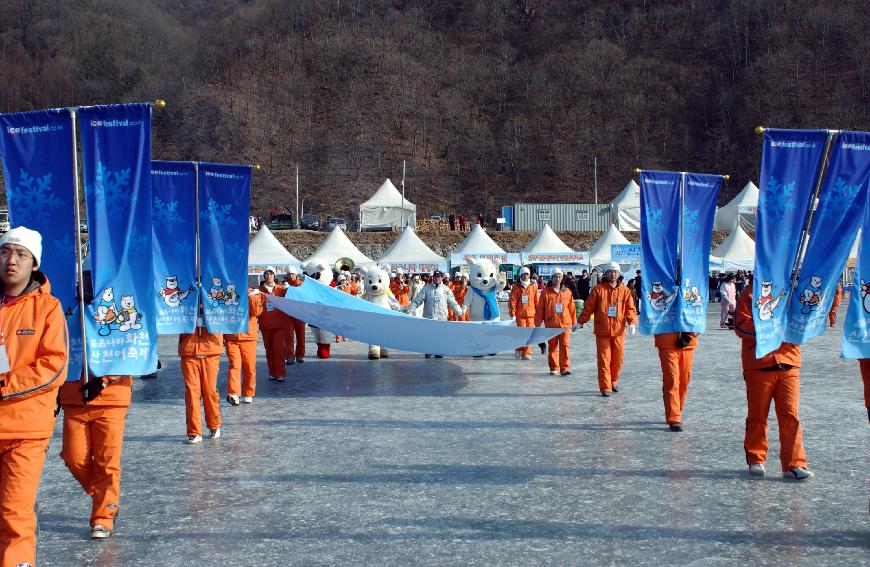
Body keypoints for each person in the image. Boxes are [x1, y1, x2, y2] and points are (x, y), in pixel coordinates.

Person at [0, 227, 68, 563]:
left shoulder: (48, 309)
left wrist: (5, 385)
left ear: (34, 263)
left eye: (20, 254)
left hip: (24, 431)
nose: (11, 260)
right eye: (5, 252)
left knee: (14, 513)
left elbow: (54, 366)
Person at [60, 267, 130, 539]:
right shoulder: (68, 315)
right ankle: (105, 497)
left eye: (91, 282)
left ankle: (103, 515)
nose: (86, 287)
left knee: (107, 460)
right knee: (73, 457)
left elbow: (131, 350)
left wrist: (104, 380)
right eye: (83, 282)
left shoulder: (117, 313)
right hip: (74, 397)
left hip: (111, 399)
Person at [735, 286, 813, 479]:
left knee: (790, 415)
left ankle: (794, 463)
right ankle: (756, 458)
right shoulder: (750, 292)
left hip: (789, 361)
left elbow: (804, 320)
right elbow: (741, 325)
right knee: (757, 415)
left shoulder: (794, 290)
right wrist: (771, 327)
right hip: (759, 364)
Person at [578, 263, 638, 396]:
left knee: (618, 359)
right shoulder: (598, 290)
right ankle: (605, 386)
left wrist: (632, 322)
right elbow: (588, 308)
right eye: (610, 272)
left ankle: (614, 381)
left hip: (618, 331)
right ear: (605, 274)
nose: (612, 274)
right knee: (604, 359)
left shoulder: (625, 291)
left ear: (619, 274)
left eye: (615, 272)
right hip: (602, 331)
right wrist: (580, 321)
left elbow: (630, 309)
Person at [179, 306, 223, 444]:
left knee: (210, 391)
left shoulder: (213, 294)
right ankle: (194, 431)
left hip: (211, 348)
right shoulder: (185, 296)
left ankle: (214, 424)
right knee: (192, 392)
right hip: (189, 349)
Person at [404, 270, 462, 357]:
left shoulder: (446, 290)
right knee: (429, 336)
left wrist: (459, 312)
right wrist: (408, 310)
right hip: (429, 317)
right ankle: (429, 350)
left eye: (438, 277)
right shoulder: (427, 288)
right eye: (435, 277)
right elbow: (417, 301)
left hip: (441, 318)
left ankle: (439, 351)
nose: (437, 279)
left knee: (441, 335)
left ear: (442, 278)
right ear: (433, 278)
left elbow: (452, 302)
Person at [224, 287, 266, 405]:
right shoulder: (228, 292)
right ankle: (233, 393)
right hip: (231, 337)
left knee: (249, 367)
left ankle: (248, 392)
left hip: (248, 337)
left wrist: (251, 296)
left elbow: (256, 312)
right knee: (234, 365)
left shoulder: (255, 295)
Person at [534, 268, 576, 374]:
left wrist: (574, 322)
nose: (558, 279)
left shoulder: (567, 292)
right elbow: (540, 309)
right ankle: (554, 367)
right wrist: (537, 323)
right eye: (555, 276)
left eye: (560, 276)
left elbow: (572, 309)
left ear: (562, 278)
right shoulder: (545, 292)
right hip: (551, 324)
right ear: (552, 278)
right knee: (552, 347)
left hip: (565, 324)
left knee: (565, 346)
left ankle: (565, 368)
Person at [654, 332, 697, 432]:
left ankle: (676, 409)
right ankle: (674, 418)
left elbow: (699, 319)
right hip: (666, 340)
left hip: (688, 343)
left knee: (684, 381)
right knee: (672, 379)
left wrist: (690, 335)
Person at [258, 267, 287, 381]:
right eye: (266, 274)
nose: (269, 276)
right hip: (265, 325)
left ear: (274, 276)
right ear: (264, 276)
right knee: (269, 350)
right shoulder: (259, 290)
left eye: (271, 274)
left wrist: (290, 290)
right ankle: (272, 372)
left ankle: (280, 373)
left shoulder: (281, 289)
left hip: (279, 324)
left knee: (279, 349)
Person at [509, 267, 538, 360]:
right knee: (523, 333)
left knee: (529, 334)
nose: (525, 276)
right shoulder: (516, 287)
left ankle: (526, 353)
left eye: (527, 274)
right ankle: (518, 347)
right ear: (520, 275)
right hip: (520, 314)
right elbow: (513, 301)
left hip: (531, 314)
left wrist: (539, 313)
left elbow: (536, 300)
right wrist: (512, 312)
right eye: (523, 274)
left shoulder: (533, 286)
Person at [283, 267, 306, 365]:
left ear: (296, 275)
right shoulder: (283, 286)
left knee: (301, 336)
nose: (291, 276)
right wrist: (285, 290)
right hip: (288, 315)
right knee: (289, 337)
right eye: (289, 274)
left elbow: (305, 298)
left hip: (300, 314)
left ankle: (300, 355)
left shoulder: (301, 285)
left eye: (292, 274)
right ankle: (290, 356)